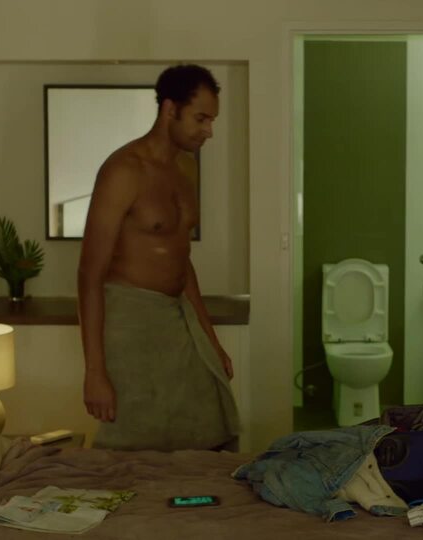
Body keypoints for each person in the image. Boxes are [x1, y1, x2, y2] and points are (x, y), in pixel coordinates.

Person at [78, 64, 240, 452]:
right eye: (201, 118)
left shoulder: (185, 167)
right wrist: (95, 372)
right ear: (170, 109)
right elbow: (89, 275)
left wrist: (212, 341)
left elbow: (181, 258)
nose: (209, 131)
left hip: (177, 313)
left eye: (212, 120)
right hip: (129, 320)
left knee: (209, 427)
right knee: (135, 440)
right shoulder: (123, 171)